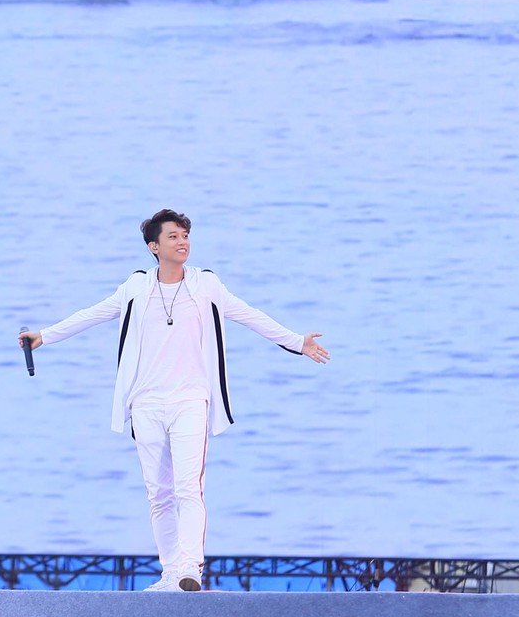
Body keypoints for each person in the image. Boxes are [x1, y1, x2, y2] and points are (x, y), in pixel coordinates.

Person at [18, 210, 330, 592]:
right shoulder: (135, 287)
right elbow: (92, 315)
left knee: (188, 488)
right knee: (158, 493)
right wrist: (44, 336)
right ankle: (170, 573)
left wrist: (298, 342)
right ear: (154, 247)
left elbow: (250, 316)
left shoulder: (206, 285)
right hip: (145, 402)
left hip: (190, 400)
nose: (182, 242)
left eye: (185, 236)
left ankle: (190, 568)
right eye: (173, 237)